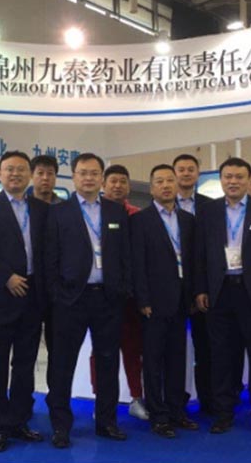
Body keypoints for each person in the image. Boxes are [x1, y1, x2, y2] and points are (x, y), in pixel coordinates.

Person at [45, 153, 132, 449]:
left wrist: (122, 289)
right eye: (83, 173)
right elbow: (49, 259)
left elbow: (125, 255)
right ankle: (60, 426)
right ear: (73, 176)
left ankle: (106, 422)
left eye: (94, 173)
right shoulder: (58, 212)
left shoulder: (116, 211)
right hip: (71, 299)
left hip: (108, 299)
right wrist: (58, 294)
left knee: (108, 361)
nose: (89, 178)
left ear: (101, 177)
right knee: (62, 364)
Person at [194, 157, 251, 437]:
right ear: (221, 180)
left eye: (239, 177)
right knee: (221, 355)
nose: (233, 182)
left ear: (248, 180)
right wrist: (201, 289)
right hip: (219, 292)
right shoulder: (207, 211)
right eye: (228, 177)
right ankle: (223, 412)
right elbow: (199, 255)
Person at [0, 151, 48, 452]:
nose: (15, 174)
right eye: (9, 169)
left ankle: (19, 420)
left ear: (29, 174)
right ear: (0, 174)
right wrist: (7, 277)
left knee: (25, 365)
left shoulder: (40, 209)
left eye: (21, 169)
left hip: (32, 297)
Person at [131, 164, 199, 438]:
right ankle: (158, 415)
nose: (166, 185)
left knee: (177, 359)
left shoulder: (188, 220)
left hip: (181, 300)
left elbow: (193, 261)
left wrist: (193, 294)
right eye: (159, 181)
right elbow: (137, 263)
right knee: (153, 361)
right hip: (154, 301)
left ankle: (176, 411)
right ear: (151, 189)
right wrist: (142, 298)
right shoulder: (140, 220)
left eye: (170, 180)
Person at [87, 164, 148, 421]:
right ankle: (100, 401)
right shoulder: (92, 213)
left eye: (123, 181)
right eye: (113, 181)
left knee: (133, 348)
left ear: (129, 187)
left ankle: (137, 397)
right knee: (101, 350)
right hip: (100, 293)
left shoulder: (138, 216)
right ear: (103, 184)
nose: (118, 186)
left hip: (130, 295)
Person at [172, 153, 214, 414]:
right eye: (181, 169)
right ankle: (176, 402)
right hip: (172, 289)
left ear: (198, 174)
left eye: (191, 169)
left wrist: (203, 288)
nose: (186, 173)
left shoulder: (211, 207)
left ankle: (208, 400)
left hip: (203, 287)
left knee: (206, 348)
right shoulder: (162, 205)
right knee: (174, 350)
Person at [29, 154, 63, 400]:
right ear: (32, 176)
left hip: (59, 290)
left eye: (50, 173)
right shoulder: (22, 206)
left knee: (58, 350)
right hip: (28, 288)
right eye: (40, 173)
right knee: (26, 350)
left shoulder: (65, 208)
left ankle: (56, 400)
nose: (45, 178)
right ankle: (23, 401)